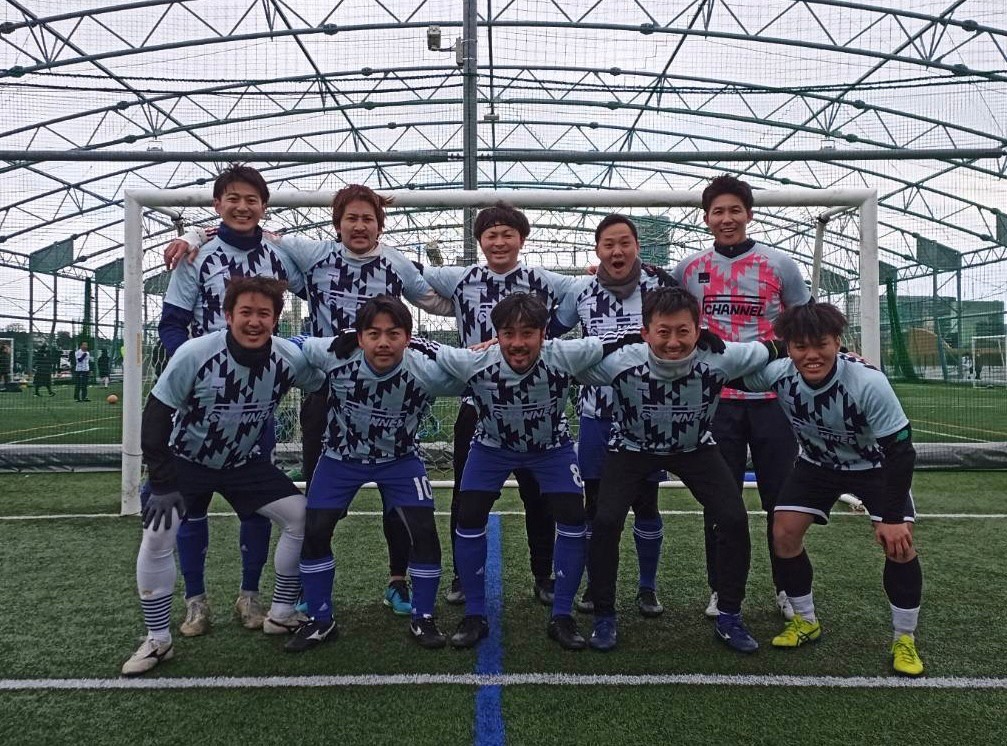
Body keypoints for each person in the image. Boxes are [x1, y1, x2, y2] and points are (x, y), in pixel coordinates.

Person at [166, 183, 454, 618]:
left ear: (380, 225)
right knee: (320, 503)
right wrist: (194, 235)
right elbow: (250, 232)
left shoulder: (396, 263)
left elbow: (435, 301)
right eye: (351, 218)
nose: (360, 226)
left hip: (388, 391)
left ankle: (398, 581)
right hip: (325, 389)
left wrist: (485, 311)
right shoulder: (313, 253)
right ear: (337, 224)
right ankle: (307, 589)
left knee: (398, 501)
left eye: (368, 218)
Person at [121, 277, 325, 675]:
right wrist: (161, 481)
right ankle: (158, 639)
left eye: (264, 314)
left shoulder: (288, 357)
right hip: (186, 462)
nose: (254, 321)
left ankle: (282, 612)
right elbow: (156, 414)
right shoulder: (195, 353)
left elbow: (324, 386)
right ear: (228, 315)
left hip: (243, 463)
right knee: (158, 534)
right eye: (245, 312)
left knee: (302, 516)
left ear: (276, 320)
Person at [426, 293, 643, 651]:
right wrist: (354, 337)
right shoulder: (475, 360)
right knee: (468, 515)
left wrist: (693, 338)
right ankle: (475, 613)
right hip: (491, 447)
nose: (517, 343)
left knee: (573, 517)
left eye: (527, 333)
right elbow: (423, 346)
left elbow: (615, 340)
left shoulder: (563, 355)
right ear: (496, 335)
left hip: (550, 449)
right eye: (508, 334)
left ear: (544, 334)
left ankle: (562, 615)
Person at [579, 287, 786, 654]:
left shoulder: (721, 357)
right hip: (631, 448)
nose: (673, 342)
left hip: (694, 449)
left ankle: (729, 615)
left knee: (733, 518)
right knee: (605, 520)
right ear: (645, 333)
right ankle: (604, 615)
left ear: (699, 329)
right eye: (663, 332)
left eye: (683, 331)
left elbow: (776, 348)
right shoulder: (621, 360)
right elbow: (557, 358)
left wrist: (839, 356)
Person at [158, 163, 307, 637]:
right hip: (202, 400)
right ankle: (195, 601)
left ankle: (250, 595)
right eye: (233, 199)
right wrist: (189, 372)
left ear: (264, 206)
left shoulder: (279, 255)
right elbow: (172, 323)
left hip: (256, 398)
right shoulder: (196, 256)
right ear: (217, 204)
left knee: (256, 504)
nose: (243, 207)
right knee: (191, 507)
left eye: (252, 200)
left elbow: (321, 282)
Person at [741, 301, 924, 676]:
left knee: (899, 545)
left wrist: (892, 517)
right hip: (817, 465)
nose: (811, 356)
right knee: (783, 532)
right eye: (800, 347)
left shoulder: (868, 383)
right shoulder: (779, 374)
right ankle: (805, 620)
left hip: (876, 467)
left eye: (821, 345)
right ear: (788, 347)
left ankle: (904, 638)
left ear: (837, 342)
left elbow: (902, 452)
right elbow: (728, 375)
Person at [421, 203, 584, 607]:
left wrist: (555, 330)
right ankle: (463, 576)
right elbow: (412, 275)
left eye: (507, 234)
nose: (499, 242)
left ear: (521, 239)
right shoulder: (462, 279)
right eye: (490, 235)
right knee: (466, 496)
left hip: (536, 400)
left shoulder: (540, 279)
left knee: (539, 496)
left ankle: (543, 574)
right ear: (479, 241)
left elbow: (580, 291)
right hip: (479, 400)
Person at [285, 296, 464, 652]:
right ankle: (320, 619)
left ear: (408, 338)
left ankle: (424, 616)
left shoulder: (425, 369)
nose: (383, 342)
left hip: (400, 460)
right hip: (340, 458)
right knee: (315, 529)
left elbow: (475, 369)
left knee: (424, 531)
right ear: (359, 337)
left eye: (393, 334)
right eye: (373, 334)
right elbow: (292, 344)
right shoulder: (335, 353)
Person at [673, 174, 811, 620]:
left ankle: (787, 589)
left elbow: (803, 324)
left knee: (781, 502)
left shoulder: (780, 265)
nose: (727, 218)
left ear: (749, 214)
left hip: (774, 403)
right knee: (721, 503)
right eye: (718, 211)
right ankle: (722, 589)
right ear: (706, 218)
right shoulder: (688, 269)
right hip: (716, 403)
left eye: (735, 210)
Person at [553, 214, 680, 616]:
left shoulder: (659, 286)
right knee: (595, 505)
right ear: (597, 250)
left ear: (638, 246)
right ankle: (596, 584)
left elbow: (687, 325)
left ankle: (647, 588)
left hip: (648, 413)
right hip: (597, 413)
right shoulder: (582, 290)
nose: (617, 251)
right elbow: (550, 331)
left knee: (646, 503)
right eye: (608, 244)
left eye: (625, 242)